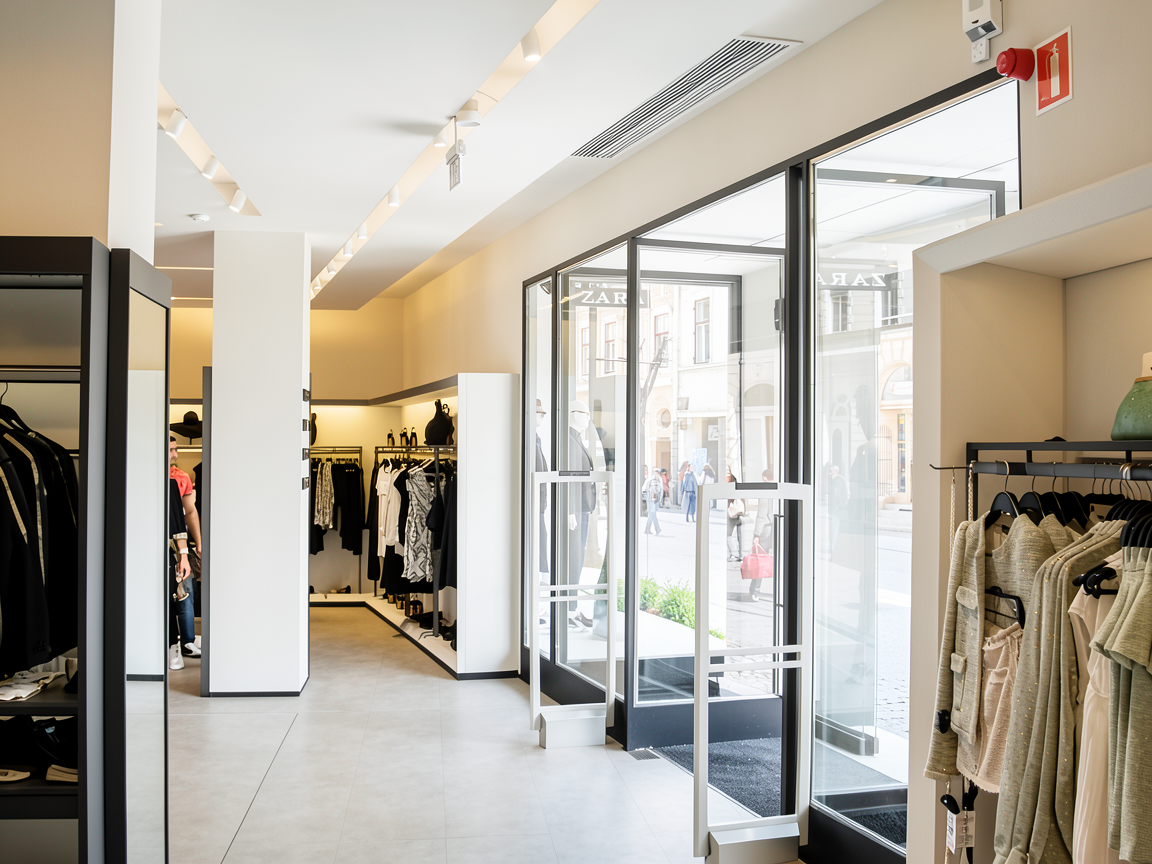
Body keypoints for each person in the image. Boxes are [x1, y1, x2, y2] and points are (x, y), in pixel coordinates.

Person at [168, 437, 200, 669]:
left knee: (184, 591)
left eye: (176, 449)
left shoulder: (179, 479)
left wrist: (197, 543)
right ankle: (170, 643)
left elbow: (189, 513)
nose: (175, 455)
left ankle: (186, 641)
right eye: (171, 450)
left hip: (176, 541)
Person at [726, 467, 744, 561]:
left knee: (729, 534)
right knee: (739, 536)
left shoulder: (728, 485)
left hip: (731, 514)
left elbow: (729, 500)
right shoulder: (736, 484)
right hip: (738, 513)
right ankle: (740, 554)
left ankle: (734, 553)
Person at [643, 469, 662, 535]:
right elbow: (661, 491)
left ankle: (649, 529)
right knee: (652, 514)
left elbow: (644, 489)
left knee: (652, 514)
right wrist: (660, 500)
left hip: (650, 499)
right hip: (655, 500)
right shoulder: (658, 480)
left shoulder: (649, 480)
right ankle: (655, 529)